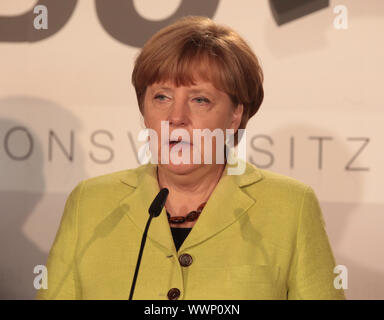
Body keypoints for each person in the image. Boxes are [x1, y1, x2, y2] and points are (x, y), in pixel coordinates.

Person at [36, 16, 345, 300]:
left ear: (235, 114)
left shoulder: (291, 207)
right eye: (162, 97)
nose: (176, 117)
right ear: (144, 110)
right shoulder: (89, 204)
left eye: (200, 99)